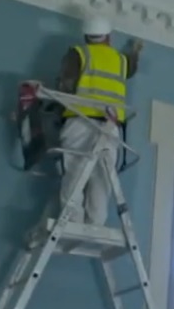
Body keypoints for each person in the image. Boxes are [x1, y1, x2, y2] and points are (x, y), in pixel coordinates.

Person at [56, 16, 142, 225]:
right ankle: (96, 222)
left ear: (86, 36)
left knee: (75, 172)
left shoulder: (78, 54)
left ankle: (72, 222)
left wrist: (49, 106)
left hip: (80, 121)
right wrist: (136, 49)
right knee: (102, 178)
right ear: (109, 37)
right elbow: (131, 66)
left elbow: (65, 88)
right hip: (109, 127)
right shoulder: (120, 60)